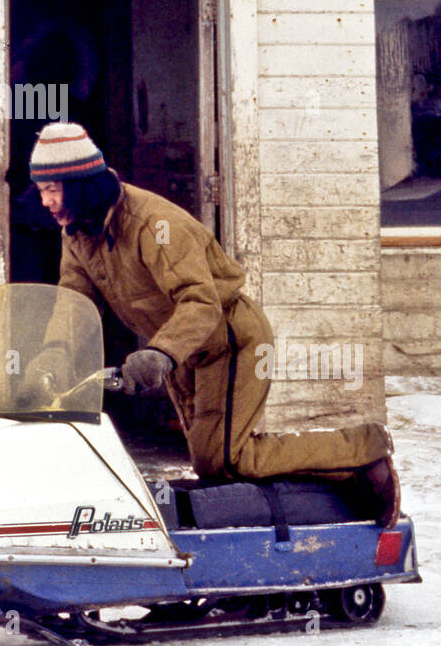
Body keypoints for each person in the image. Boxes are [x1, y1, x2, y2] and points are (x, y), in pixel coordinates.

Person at [29, 121, 401, 528]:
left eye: (53, 189)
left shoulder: (152, 225)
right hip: (184, 353)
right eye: (42, 190)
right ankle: (330, 493)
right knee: (213, 466)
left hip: (229, 339)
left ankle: (363, 451)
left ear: (81, 184)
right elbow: (75, 300)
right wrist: (53, 354)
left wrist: (158, 354)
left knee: (227, 457)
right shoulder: (79, 231)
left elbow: (200, 302)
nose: (45, 201)